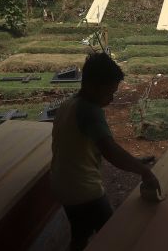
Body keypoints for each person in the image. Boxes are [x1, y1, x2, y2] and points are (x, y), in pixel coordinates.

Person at [50, 53, 161, 251]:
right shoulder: (90, 111)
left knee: (80, 232)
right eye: (109, 93)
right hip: (82, 189)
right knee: (111, 236)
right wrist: (144, 172)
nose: (111, 99)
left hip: (61, 182)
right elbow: (110, 151)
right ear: (93, 86)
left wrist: (133, 161)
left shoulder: (71, 103)